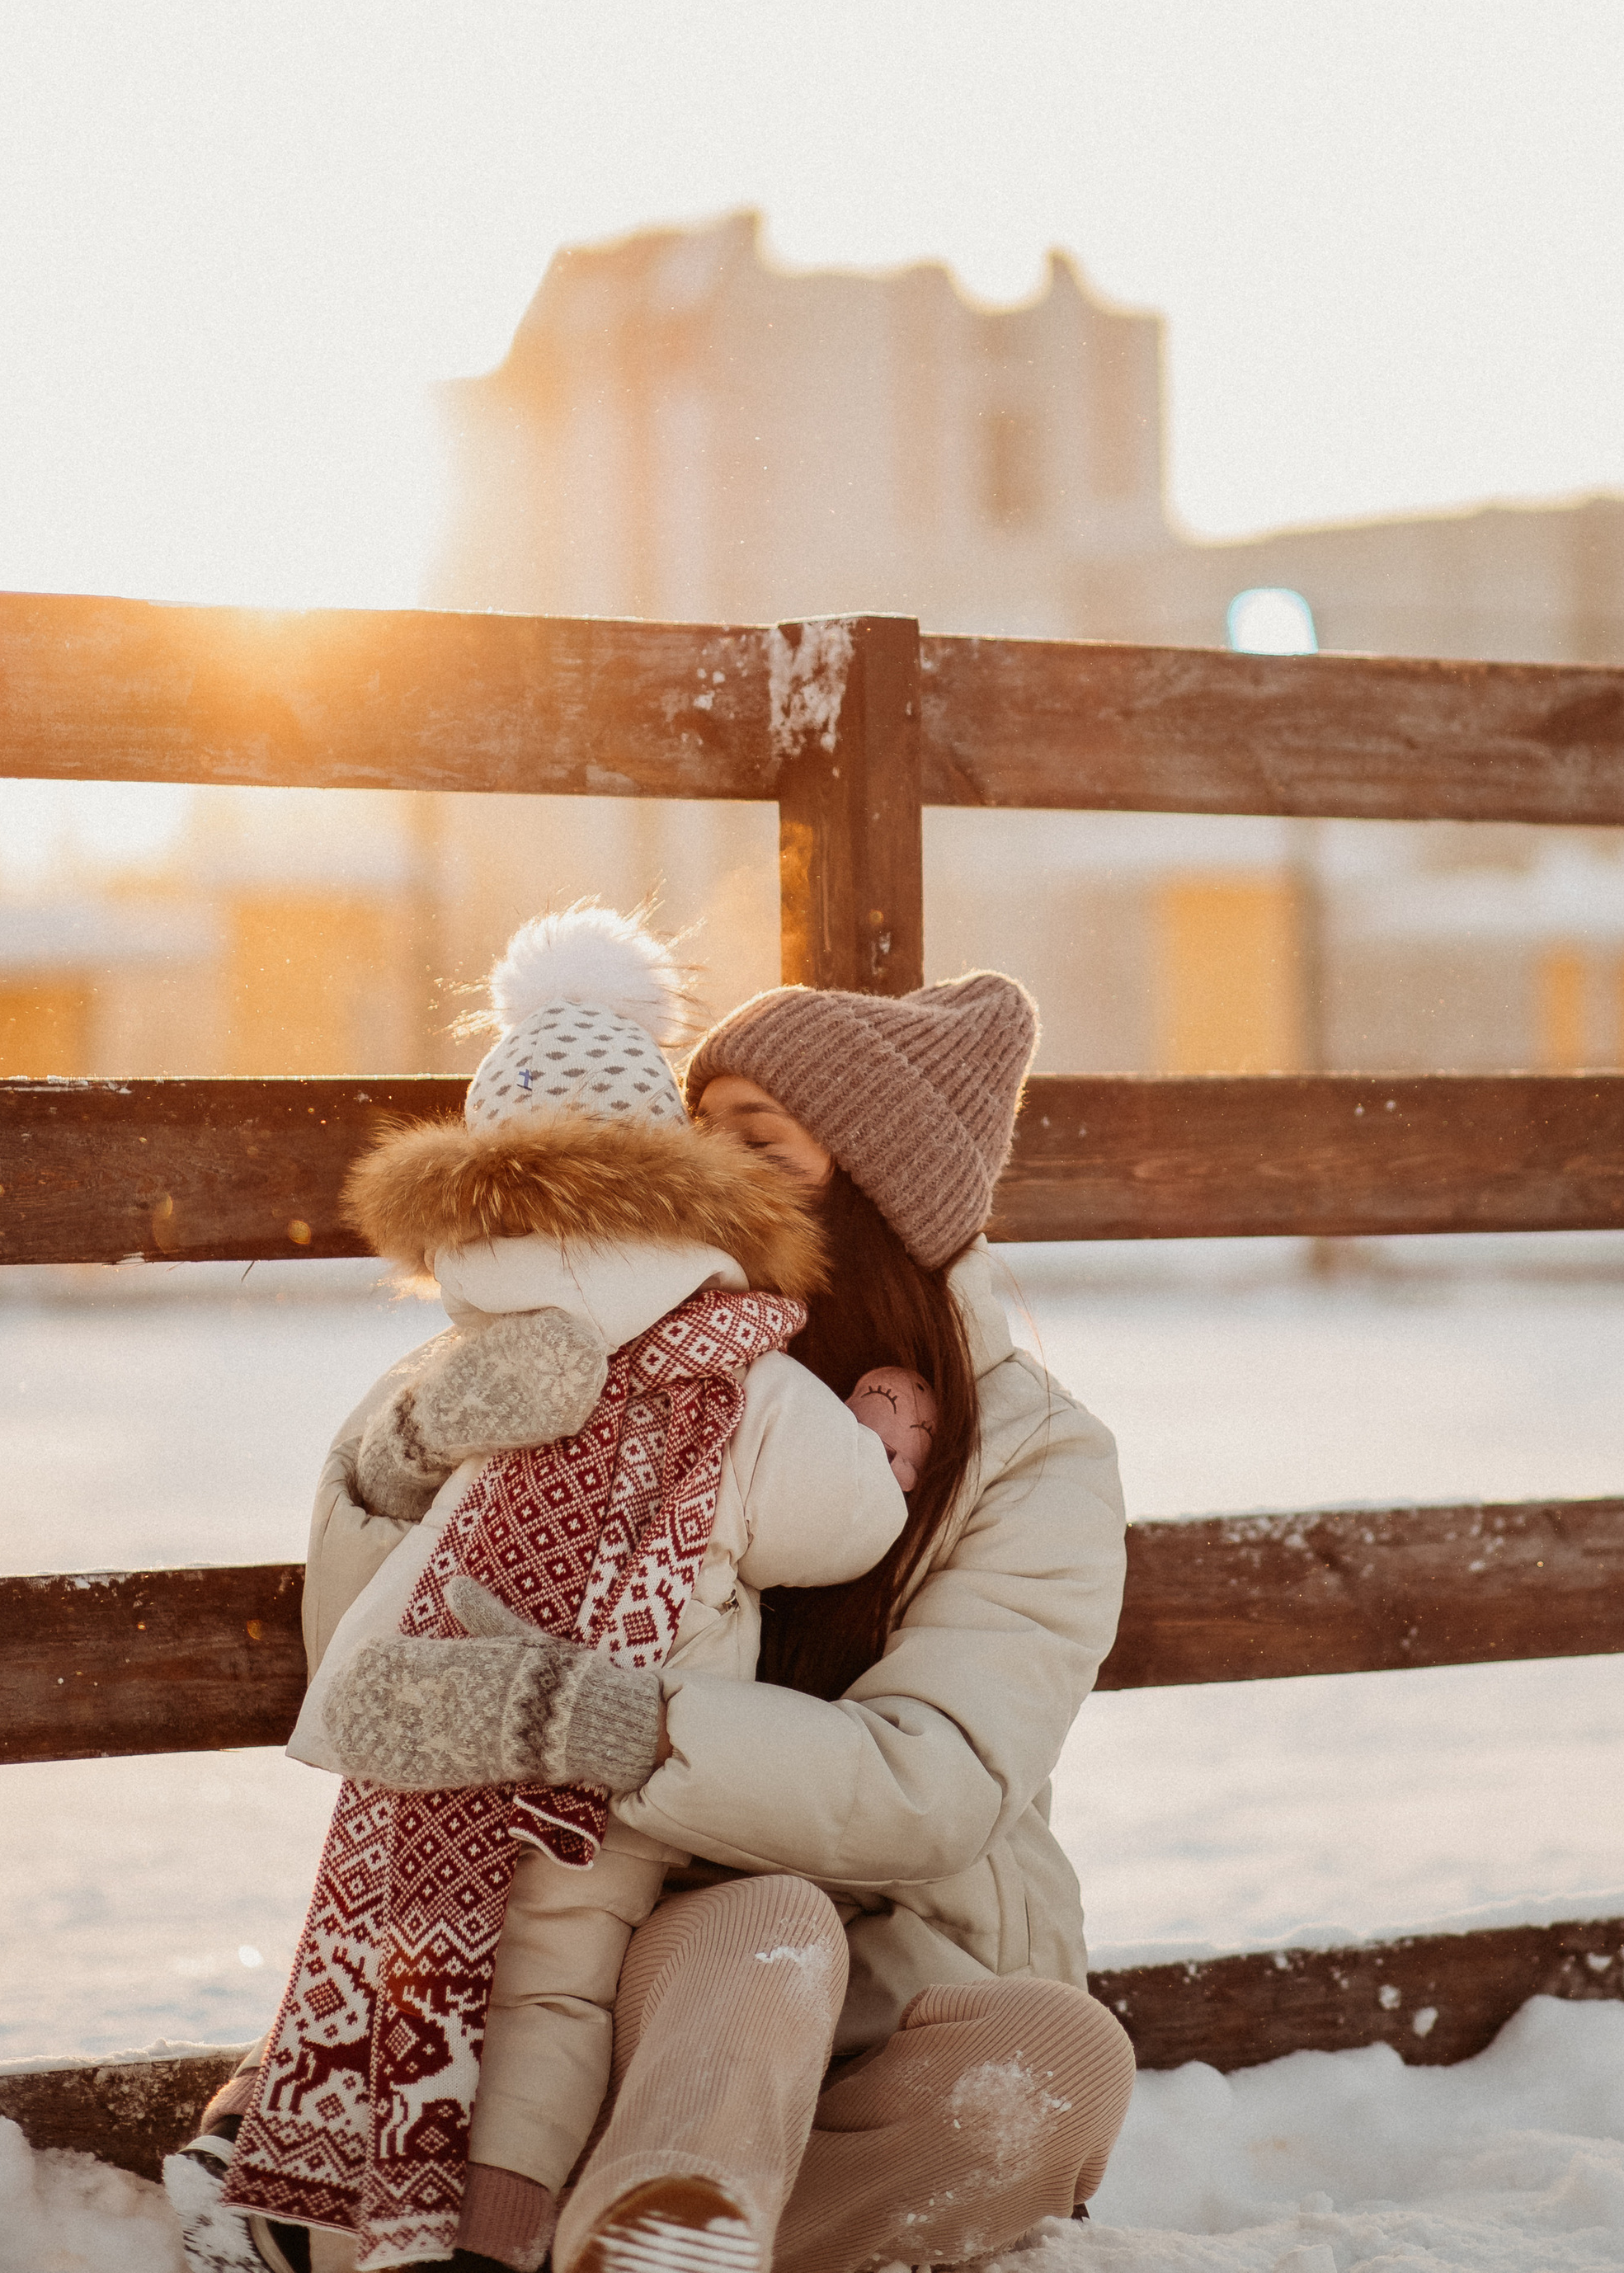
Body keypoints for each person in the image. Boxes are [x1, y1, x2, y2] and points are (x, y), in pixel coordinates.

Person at [202, 964, 1133, 2273]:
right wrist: (403, 1456)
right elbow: (388, 1675)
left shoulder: (1036, 1454)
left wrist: (608, 1724)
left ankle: (631, 2241)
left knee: (1055, 2062)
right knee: (761, 1932)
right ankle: (624, 2218)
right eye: (700, 1133)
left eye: (762, 1144)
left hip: (888, 1978)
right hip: (602, 1959)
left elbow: (936, 1783)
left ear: (876, 1194)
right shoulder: (599, 1359)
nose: (711, 1173)